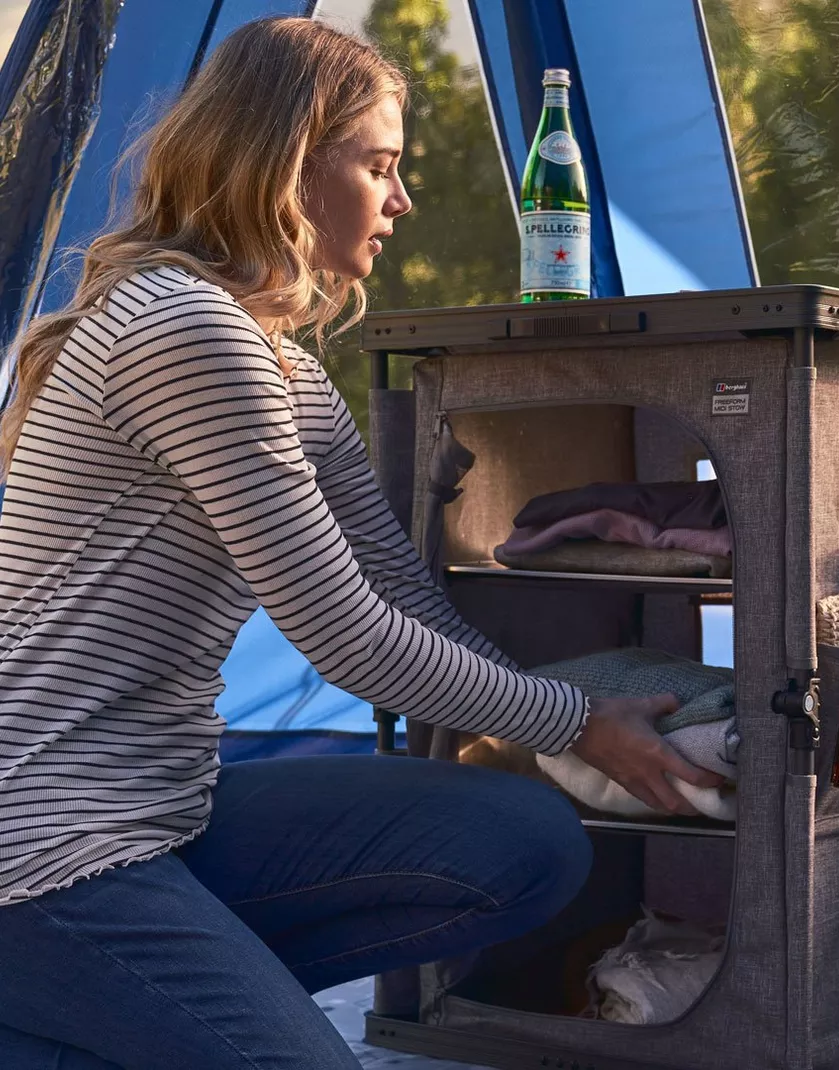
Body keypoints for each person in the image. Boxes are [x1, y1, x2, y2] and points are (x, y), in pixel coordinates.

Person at [0, 17, 723, 1069]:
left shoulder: (285, 368)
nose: (402, 200)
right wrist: (574, 721)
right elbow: (346, 635)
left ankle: (122, 1015)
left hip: (161, 809)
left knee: (526, 840)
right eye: (379, 167)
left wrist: (574, 709)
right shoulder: (183, 329)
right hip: (39, 840)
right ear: (288, 164)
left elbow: (398, 594)